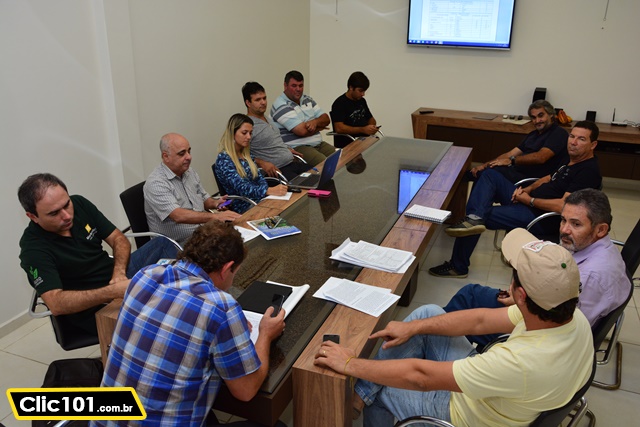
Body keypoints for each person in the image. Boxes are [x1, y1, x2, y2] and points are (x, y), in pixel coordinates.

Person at [315, 228, 593, 427]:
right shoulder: (567, 314)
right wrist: (415, 328)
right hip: (502, 394)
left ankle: (364, 395)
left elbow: (420, 377)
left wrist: (350, 363)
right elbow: (480, 320)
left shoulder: (518, 363)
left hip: (464, 415)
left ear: (519, 294)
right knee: (428, 314)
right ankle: (361, 394)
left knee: (384, 390)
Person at [93, 222, 286, 427]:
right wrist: (265, 334)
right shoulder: (222, 308)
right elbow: (246, 391)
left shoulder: (145, 275)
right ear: (227, 268)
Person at [442, 189, 632, 347]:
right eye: (563, 220)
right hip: (543, 314)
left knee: (468, 299)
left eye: (576, 224)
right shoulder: (602, 249)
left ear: (601, 229)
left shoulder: (591, 276)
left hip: (540, 339)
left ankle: (435, 347)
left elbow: (562, 329)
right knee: (471, 295)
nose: (564, 230)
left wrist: (522, 303)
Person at [430, 120, 602, 278]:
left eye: (581, 139)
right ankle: (473, 219)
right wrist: (526, 190)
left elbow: (563, 207)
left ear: (593, 144)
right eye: (572, 136)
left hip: (541, 216)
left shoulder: (588, 170)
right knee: (490, 175)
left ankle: (458, 265)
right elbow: (549, 178)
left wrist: (529, 200)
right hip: (529, 200)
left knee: (481, 215)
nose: (573, 142)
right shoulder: (571, 160)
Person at [18, 173, 178, 336]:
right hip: (91, 306)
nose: (66, 216)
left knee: (163, 245)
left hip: (115, 278)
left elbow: (118, 239)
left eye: (67, 204)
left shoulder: (79, 203)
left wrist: (119, 274)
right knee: (162, 316)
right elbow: (56, 304)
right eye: (54, 213)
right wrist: (112, 291)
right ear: (33, 217)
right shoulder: (33, 249)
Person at [144, 133, 240, 246]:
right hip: (178, 245)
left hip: (203, 233)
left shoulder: (189, 172)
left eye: (189, 151)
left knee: (239, 238)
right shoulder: (156, 183)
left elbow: (204, 199)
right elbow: (178, 216)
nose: (189, 157)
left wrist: (216, 203)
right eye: (182, 153)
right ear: (166, 156)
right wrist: (215, 217)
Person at [469, 100, 568, 183]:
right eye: (533, 117)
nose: (537, 121)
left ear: (551, 115)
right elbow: (510, 153)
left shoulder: (558, 133)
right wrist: (485, 165)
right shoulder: (533, 135)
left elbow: (541, 157)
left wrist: (512, 161)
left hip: (531, 179)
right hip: (517, 171)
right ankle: (476, 206)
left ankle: (477, 206)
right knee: (477, 173)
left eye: (541, 115)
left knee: (488, 174)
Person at [215, 113, 288, 213]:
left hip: (260, 199)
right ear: (233, 133)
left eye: (250, 133)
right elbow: (241, 188)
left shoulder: (246, 153)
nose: (249, 137)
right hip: (245, 206)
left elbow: (259, 178)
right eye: (244, 133)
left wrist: (266, 191)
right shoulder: (224, 159)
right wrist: (267, 191)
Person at [242, 81, 312, 180]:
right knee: (308, 186)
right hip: (277, 171)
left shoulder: (268, 119)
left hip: (292, 163)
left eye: (264, 98)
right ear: (248, 103)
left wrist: (287, 149)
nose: (263, 102)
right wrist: (261, 162)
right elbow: (239, 154)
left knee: (321, 176)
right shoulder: (246, 126)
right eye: (258, 100)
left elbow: (272, 142)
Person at [270, 70, 335, 167]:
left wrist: (314, 122)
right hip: (298, 147)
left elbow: (326, 119)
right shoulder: (280, 105)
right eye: (294, 86)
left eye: (301, 86)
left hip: (318, 143)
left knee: (342, 157)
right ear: (285, 85)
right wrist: (319, 127)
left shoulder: (307, 99)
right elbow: (301, 131)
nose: (298, 89)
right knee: (326, 165)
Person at [330, 71, 379, 148]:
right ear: (351, 88)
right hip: (349, 142)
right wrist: (362, 129)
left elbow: (371, 119)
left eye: (364, 91)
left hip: (364, 140)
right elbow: (339, 128)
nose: (363, 94)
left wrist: (371, 127)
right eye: (360, 91)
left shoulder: (362, 101)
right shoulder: (339, 103)